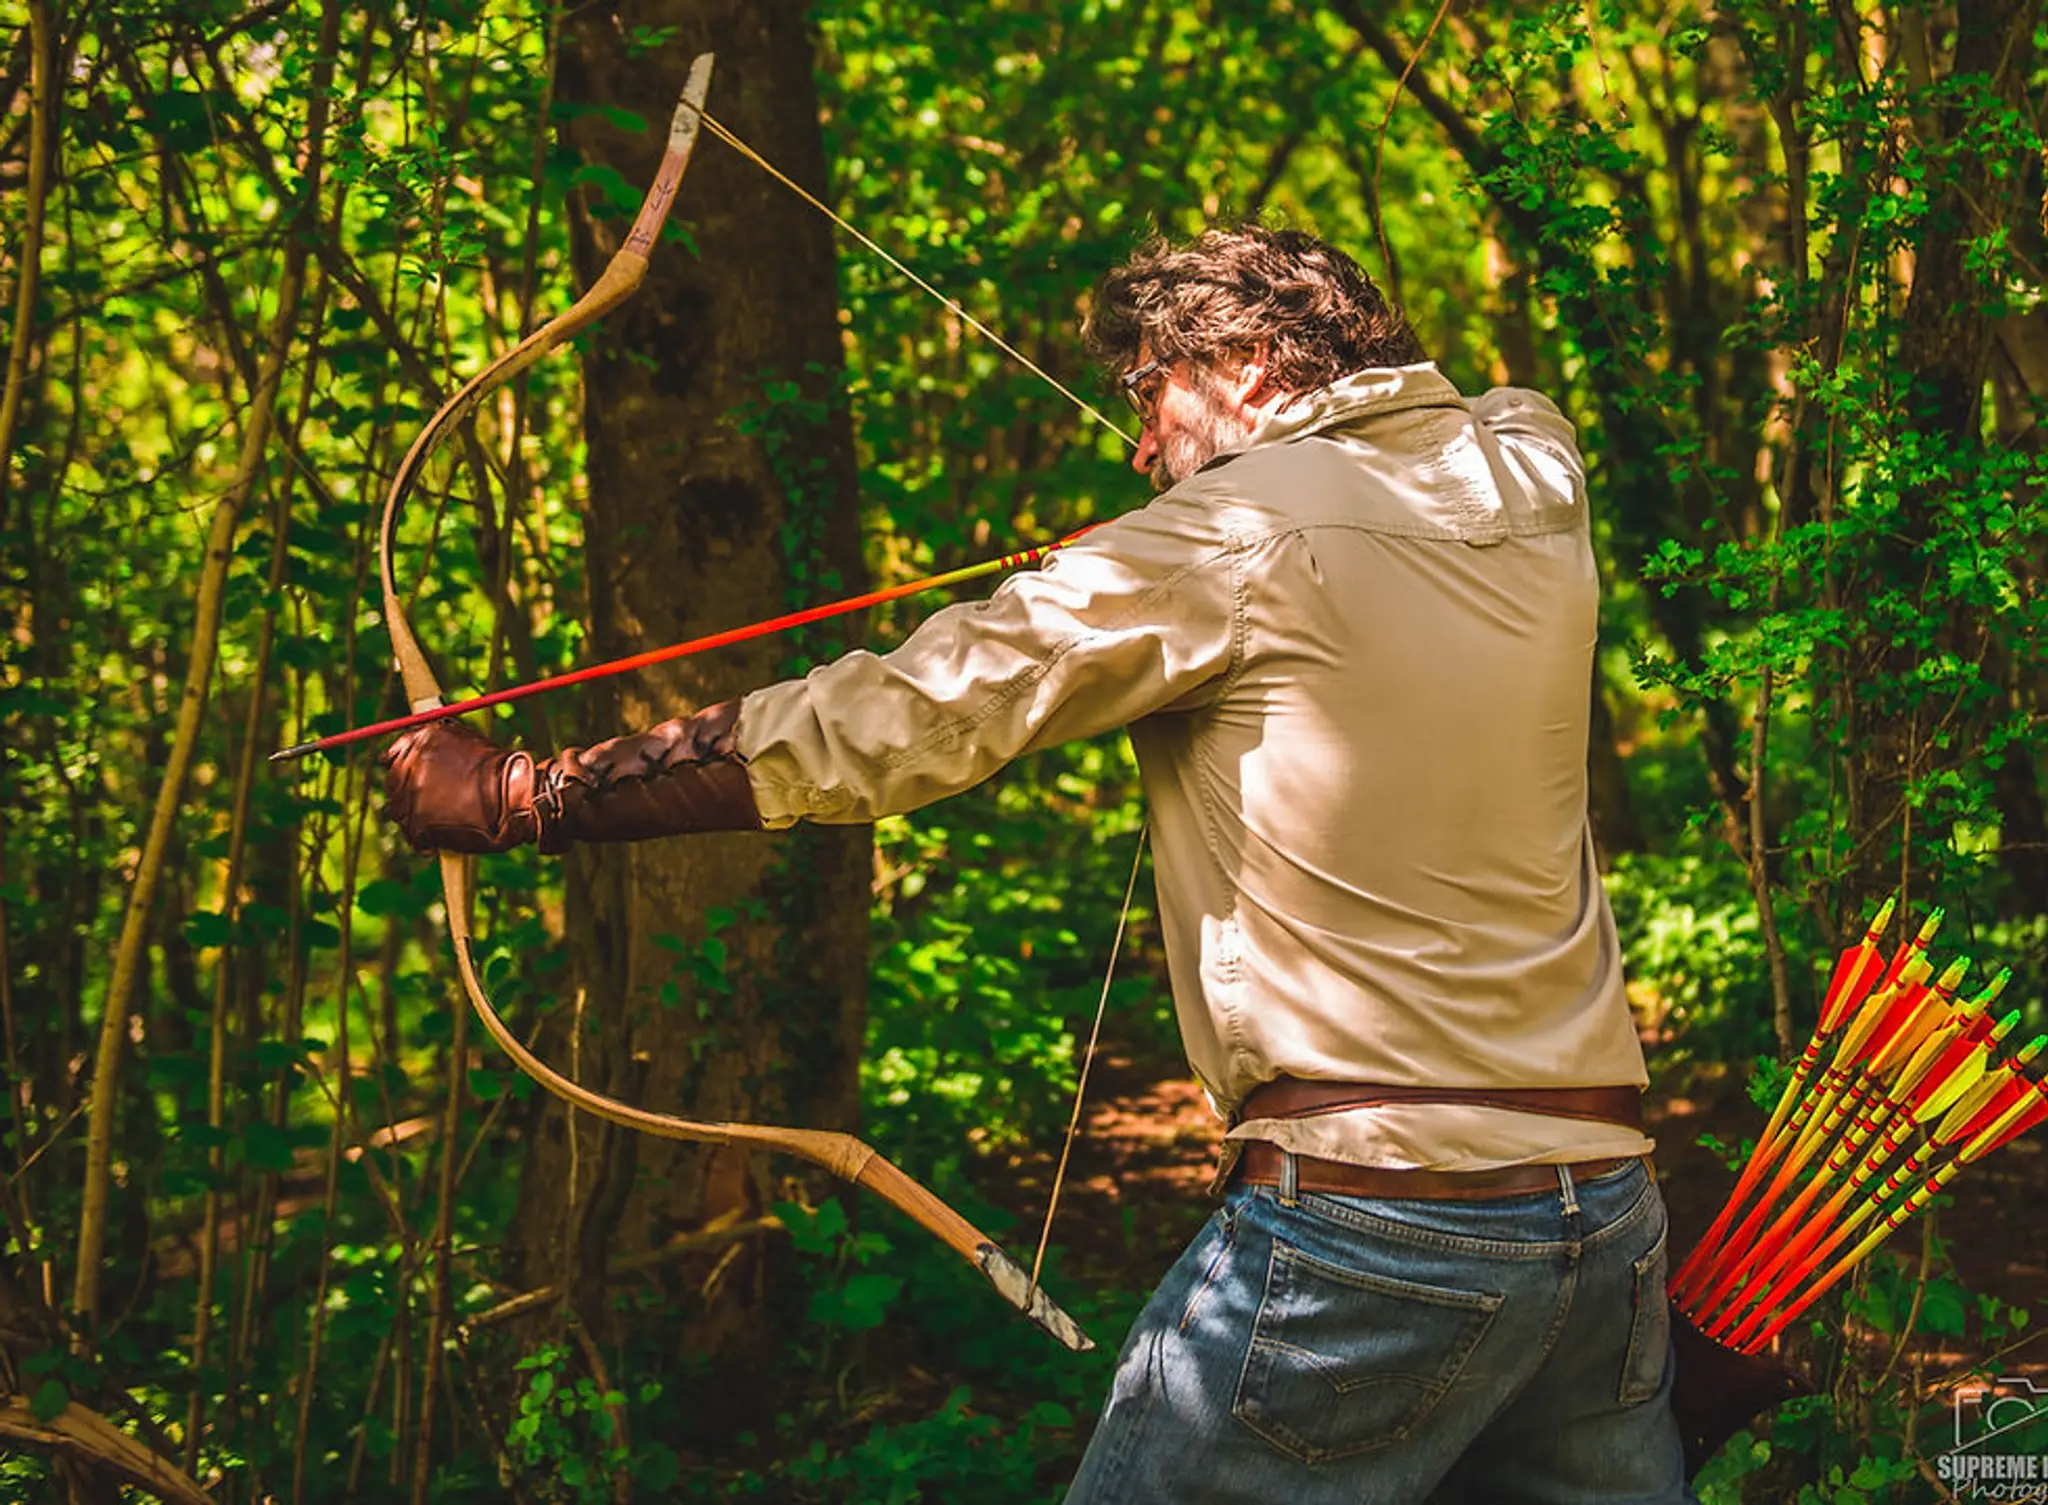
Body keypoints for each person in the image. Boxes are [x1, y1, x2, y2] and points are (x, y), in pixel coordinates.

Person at [380, 225, 1692, 1503]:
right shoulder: (1531, 474)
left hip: (1376, 1230)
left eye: (1149, 394)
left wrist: (526, 794)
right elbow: (1478, 416)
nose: (1138, 444)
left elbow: (895, 717)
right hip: (1604, 1219)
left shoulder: (1226, 536)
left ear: (1242, 363)